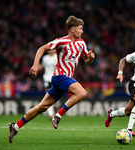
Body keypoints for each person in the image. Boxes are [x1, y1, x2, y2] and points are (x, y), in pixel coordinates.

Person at [8, 15, 95, 143]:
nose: (82, 31)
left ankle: (15, 126)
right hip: (59, 77)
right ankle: (58, 115)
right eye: (80, 28)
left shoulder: (82, 43)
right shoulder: (61, 41)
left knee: (41, 108)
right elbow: (42, 48)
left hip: (65, 79)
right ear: (72, 29)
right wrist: (36, 64)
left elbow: (87, 60)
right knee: (82, 93)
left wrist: (91, 58)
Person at [41, 49, 58, 119]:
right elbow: (43, 67)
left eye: (53, 49)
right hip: (47, 78)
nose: (51, 51)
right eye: (50, 50)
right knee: (48, 95)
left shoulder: (57, 57)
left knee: (55, 96)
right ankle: (51, 114)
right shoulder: (45, 58)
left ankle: (55, 106)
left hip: (55, 78)